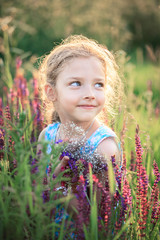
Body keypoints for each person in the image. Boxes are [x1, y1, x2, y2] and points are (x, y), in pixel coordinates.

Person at [37, 35, 123, 216]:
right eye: (76, 83)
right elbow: (36, 191)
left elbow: (95, 216)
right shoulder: (47, 136)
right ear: (51, 92)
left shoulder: (103, 147)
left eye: (98, 84)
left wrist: (57, 187)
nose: (90, 94)